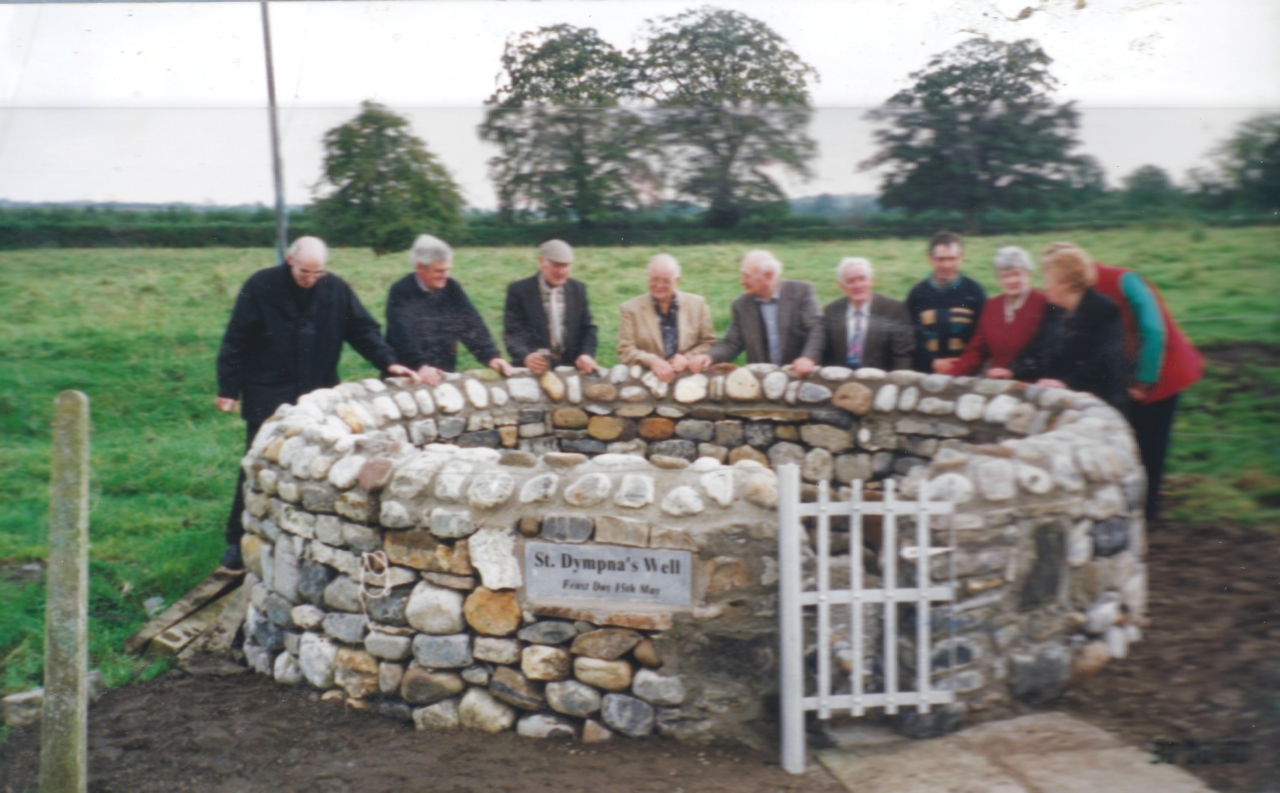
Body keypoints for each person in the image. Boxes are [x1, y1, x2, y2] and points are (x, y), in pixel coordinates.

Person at [215, 237, 418, 569]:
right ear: (290, 259)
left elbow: (362, 330)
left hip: (315, 391)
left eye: (317, 273)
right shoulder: (260, 286)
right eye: (304, 272)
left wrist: (389, 361)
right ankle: (237, 538)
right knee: (256, 463)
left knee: (315, 465)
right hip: (267, 390)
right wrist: (228, 388)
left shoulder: (335, 289)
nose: (310, 279)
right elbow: (236, 339)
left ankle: (299, 533)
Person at [1046, 242, 1203, 520]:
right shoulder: (1085, 294)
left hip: (1161, 372)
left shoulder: (1125, 280)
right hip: (1127, 377)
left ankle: (1148, 514)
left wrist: (1143, 379)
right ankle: (1136, 509)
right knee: (1132, 444)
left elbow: (1153, 331)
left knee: (1150, 447)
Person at [385, 234, 514, 385]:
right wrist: (421, 365)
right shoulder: (401, 290)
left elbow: (470, 324)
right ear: (420, 267)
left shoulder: (452, 288)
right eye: (439, 271)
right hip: (408, 376)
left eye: (447, 270)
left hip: (443, 373)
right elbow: (402, 334)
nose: (444, 276)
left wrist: (491, 356)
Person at [1011, 245, 1128, 409]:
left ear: (1065, 282)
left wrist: (1065, 383)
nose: (1046, 287)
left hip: (1100, 404)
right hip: (1061, 398)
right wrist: (1013, 371)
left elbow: (1103, 363)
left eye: (1048, 280)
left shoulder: (1104, 309)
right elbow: (1038, 347)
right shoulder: (1053, 308)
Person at [687, 250, 822, 376]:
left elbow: (816, 329)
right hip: (761, 381)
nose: (742, 281)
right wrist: (709, 356)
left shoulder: (801, 292)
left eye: (747, 276)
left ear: (768, 276)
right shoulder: (741, 305)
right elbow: (731, 343)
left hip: (798, 376)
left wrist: (807, 358)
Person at [944, 246, 1048, 378]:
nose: (1011, 281)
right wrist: (951, 378)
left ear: (1028, 274)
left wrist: (1014, 372)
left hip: (1034, 386)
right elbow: (976, 351)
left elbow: (1046, 352)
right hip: (999, 387)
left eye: (1016, 274)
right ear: (998, 279)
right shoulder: (991, 306)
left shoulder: (1044, 303)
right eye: (1005, 276)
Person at [616, 253, 717, 383]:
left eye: (665, 281)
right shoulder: (630, 309)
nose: (659, 285)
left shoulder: (698, 304)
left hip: (688, 380)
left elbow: (709, 343)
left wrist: (686, 358)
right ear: (647, 277)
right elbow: (625, 350)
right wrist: (653, 361)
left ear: (677, 280)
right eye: (654, 279)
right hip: (647, 382)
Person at [502, 239, 598, 374]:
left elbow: (588, 328)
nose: (562, 271)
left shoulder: (578, 289)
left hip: (572, 368)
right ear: (541, 262)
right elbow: (512, 333)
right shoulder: (519, 291)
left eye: (566, 266)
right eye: (556, 266)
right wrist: (526, 356)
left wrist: (586, 354)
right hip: (533, 370)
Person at [905, 230, 987, 372]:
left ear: (961, 257)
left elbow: (981, 336)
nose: (947, 265)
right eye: (941, 259)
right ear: (930, 258)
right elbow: (909, 337)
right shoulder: (917, 293)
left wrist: (963, 365)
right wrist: (932, 362)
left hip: (967, 374)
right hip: (927, 374)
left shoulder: (975, 291)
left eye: (952, 258)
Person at [819, 257, 914, 370]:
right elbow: (825, 355)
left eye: (862, 279)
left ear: (872, 281)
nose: (858, 285)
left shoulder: (894, 310)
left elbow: (902, 356)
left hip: (881, 381)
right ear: (842, 286)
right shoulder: (831, 311)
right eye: (851, 281)